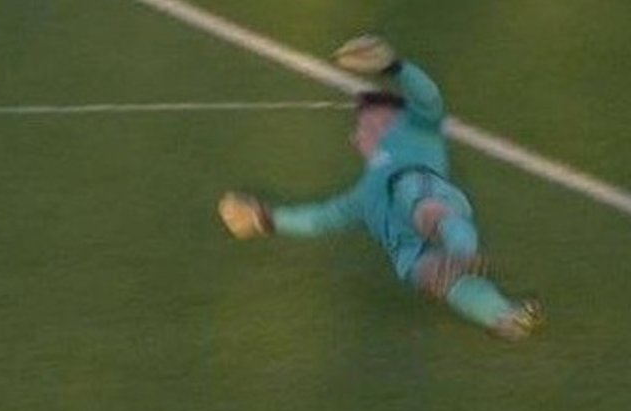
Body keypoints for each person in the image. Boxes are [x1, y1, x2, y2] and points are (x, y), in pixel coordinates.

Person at [217, 35, 542, 341]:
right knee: (444, 278)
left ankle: (461, 254)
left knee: (419, 200)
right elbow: (320, 219)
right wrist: (263, 219)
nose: (357, 134)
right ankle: (505, 317)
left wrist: (395, 67)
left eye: (364, 123)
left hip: (426, 194)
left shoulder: (417, 130)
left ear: (390, 119)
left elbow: (429, 98)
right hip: (413, 252)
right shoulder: (363, 195)